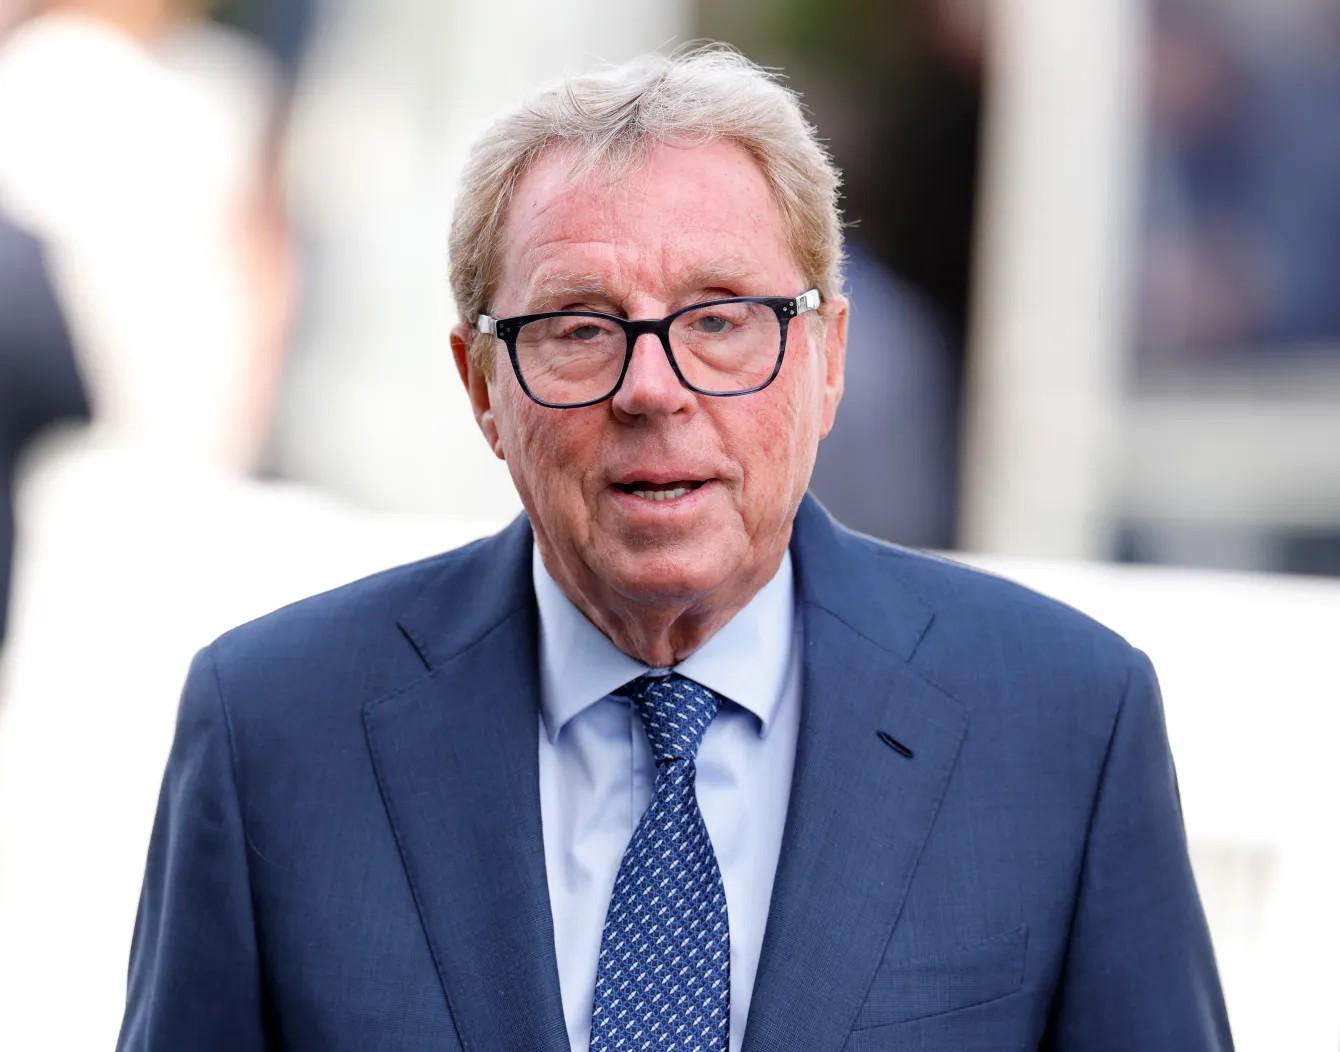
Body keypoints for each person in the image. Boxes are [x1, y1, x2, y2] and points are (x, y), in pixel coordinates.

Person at [118, 46, 1232, 1051]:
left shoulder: (1061, 721)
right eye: (578, 328)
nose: (652, 389)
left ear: (828, 360)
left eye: (718, 319)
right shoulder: (274, 728)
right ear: (481, 387)